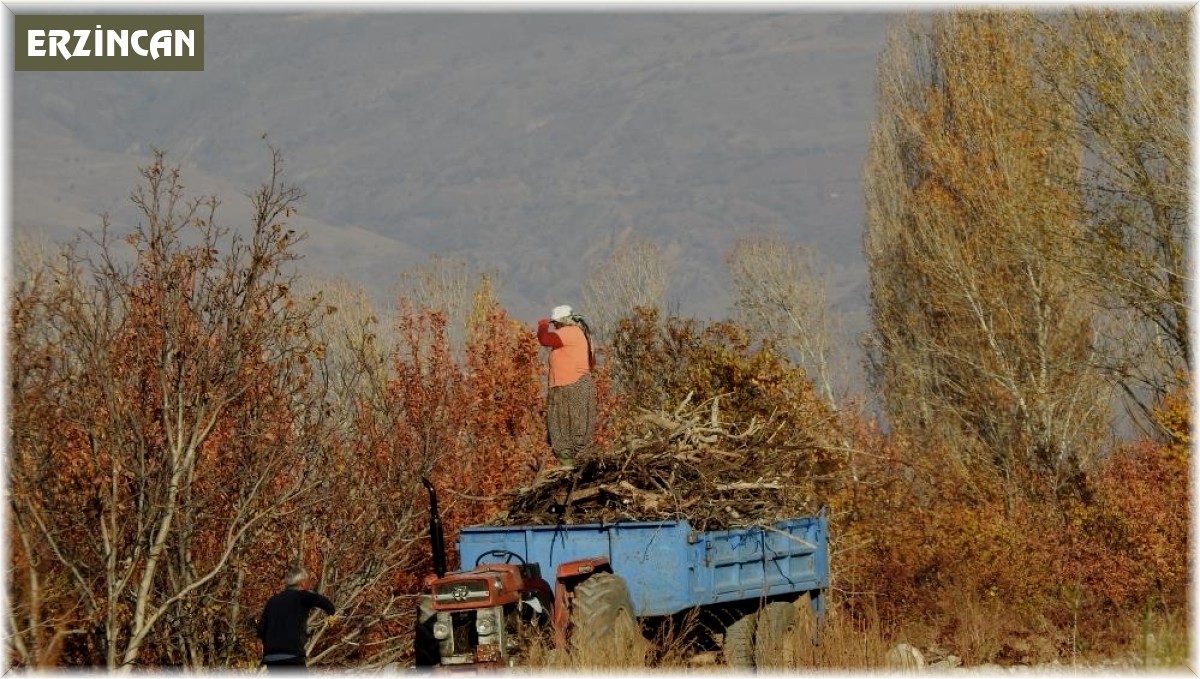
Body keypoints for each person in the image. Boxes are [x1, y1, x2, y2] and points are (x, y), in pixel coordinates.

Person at [536, 304, 597, 469]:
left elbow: (545, 339)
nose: (554, 327)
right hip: (567, 386)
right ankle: (571, 467)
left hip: (572, 386)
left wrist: (542, 325)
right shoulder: (579, 334)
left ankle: (574, 467)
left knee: (570, 429)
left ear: (562, 322)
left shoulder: (571, 332)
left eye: (555, 324)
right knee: (565, 428)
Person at [257, 565, 336, 672]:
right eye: (307, 582)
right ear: (302, 583)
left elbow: (261, 630)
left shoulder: (272, 601)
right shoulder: (302, 596)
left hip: (271, 657)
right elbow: (328, 606)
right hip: (291, 656)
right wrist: (331, 615)